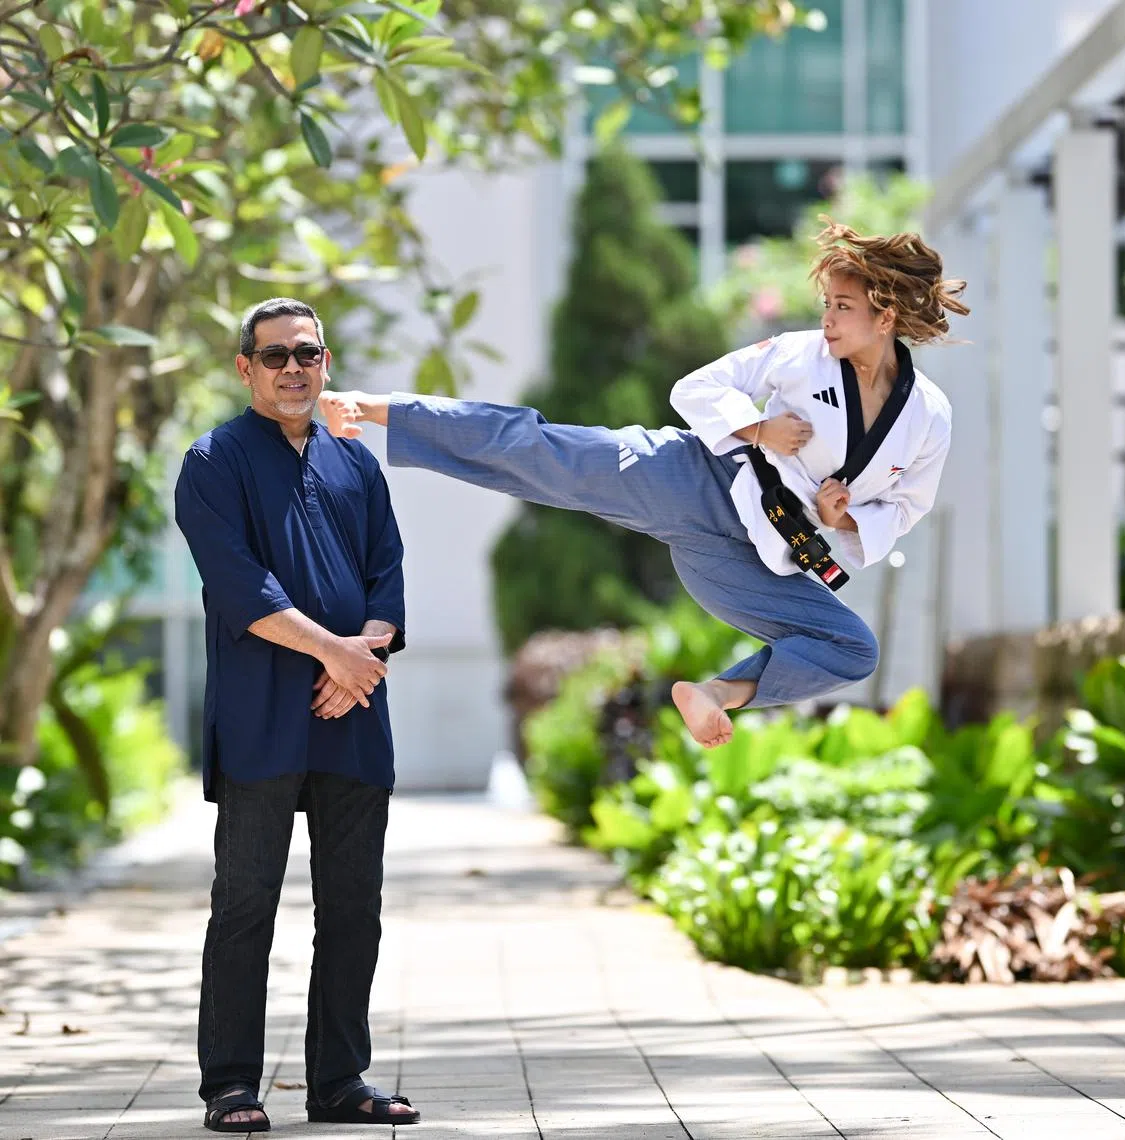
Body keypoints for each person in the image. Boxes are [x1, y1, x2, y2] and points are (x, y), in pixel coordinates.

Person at [319, 222, 967, 751]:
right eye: (826, 303)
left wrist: (845, 518)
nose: (826, 319)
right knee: (544, 448)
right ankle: (380, 408)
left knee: (852, 649)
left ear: (885, 319)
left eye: (842, 308)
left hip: (756, 553)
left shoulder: (928, 416)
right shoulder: (801, 355)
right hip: (695, 480)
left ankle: (717, 694)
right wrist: (760, 430)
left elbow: (906, 507)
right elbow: (696, 388)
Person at [174, 298, 420, 1131]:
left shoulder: (357, 465)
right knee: (246, 903)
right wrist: (337, 653)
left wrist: (363, 660)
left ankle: (341, 1083)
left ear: (326, 363)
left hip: (352, 711)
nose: (292, 369)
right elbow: (242, 588)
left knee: (355, 906)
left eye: (306, 355)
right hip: (261, 714)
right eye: (274, 356)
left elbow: (386, 572)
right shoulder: (212, 462)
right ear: (245, 367)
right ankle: (231, 1086)